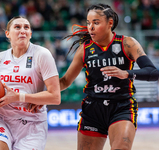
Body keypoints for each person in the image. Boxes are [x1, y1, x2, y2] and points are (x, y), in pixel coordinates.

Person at [59, 3, 159, 150]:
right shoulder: (85, 49)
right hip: (93, 109)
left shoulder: (127, 43)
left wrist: (126, 73)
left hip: (122, 107)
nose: (90, 27)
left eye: (96, 23)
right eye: (88, 23)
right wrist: (41, 89)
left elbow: (153, 72)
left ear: (110, 23)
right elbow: (65, 81)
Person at [0, 16, 60, 150]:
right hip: (2, 118)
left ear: (30, 34)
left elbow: (55, 97)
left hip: (32, 123)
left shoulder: (42, 54)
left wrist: (19, 97)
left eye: (26, 27)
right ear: (7, 34)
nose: (22, 30)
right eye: (17, 27)